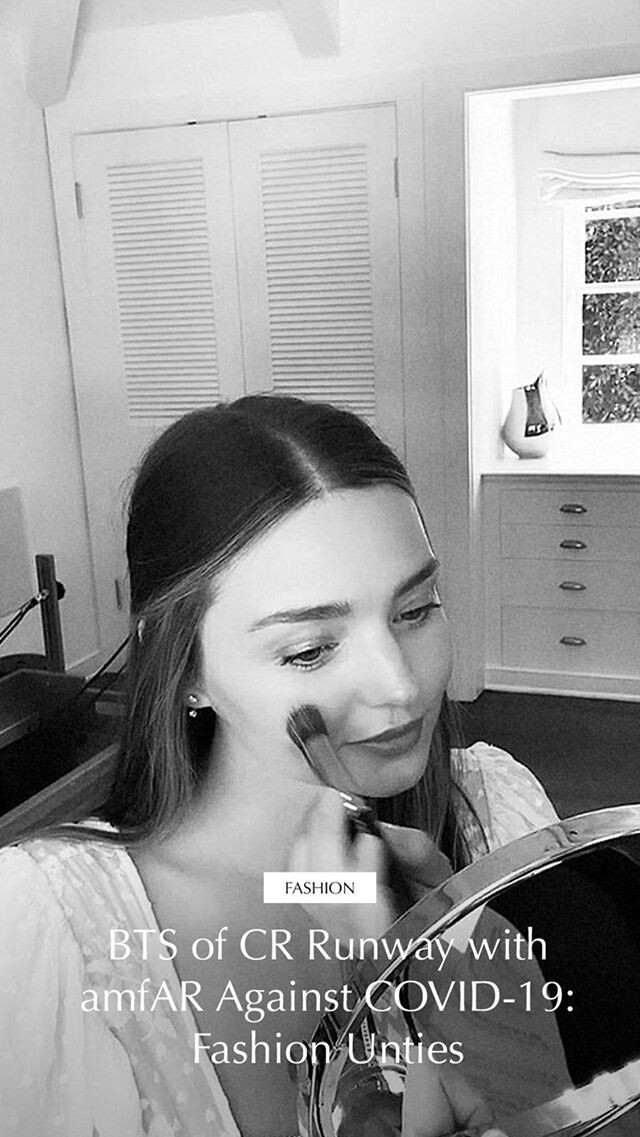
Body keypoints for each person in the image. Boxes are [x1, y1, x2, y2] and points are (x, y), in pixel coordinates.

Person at [0, 395, 557, 1137]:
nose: (400, 685)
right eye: (309, 650)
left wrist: (454, 998)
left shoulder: (496, 815)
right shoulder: (48, 936)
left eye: (416, 609)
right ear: (186, 669)